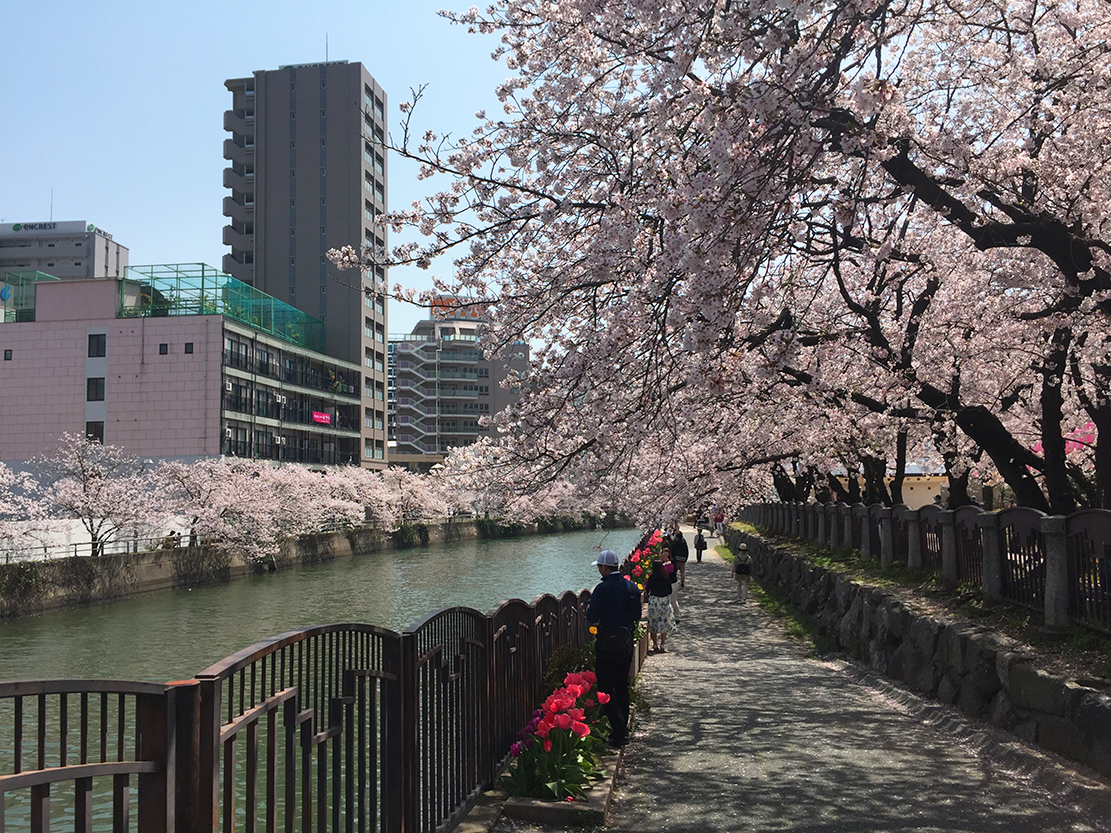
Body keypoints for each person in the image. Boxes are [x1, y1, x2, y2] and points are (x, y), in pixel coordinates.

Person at [585, 549, 642, 747]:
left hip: (607, 645)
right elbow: (637, 615)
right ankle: (621, 728)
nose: (599, 570)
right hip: (625, 644)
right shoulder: (632, 587)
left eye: (600, 567)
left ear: (604, 567)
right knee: (621, 686)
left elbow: (592, 616)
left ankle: (619, 731)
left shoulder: (602, 589)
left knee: (605, 688)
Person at [643, 559, 674, 653]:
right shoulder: (666, 578)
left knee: (653, 623)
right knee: (664, 623)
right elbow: (670, 591)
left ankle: (655, 644)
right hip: (663, 601)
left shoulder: (651, 578)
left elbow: (647, 590)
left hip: (654, 601)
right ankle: (663, 644)